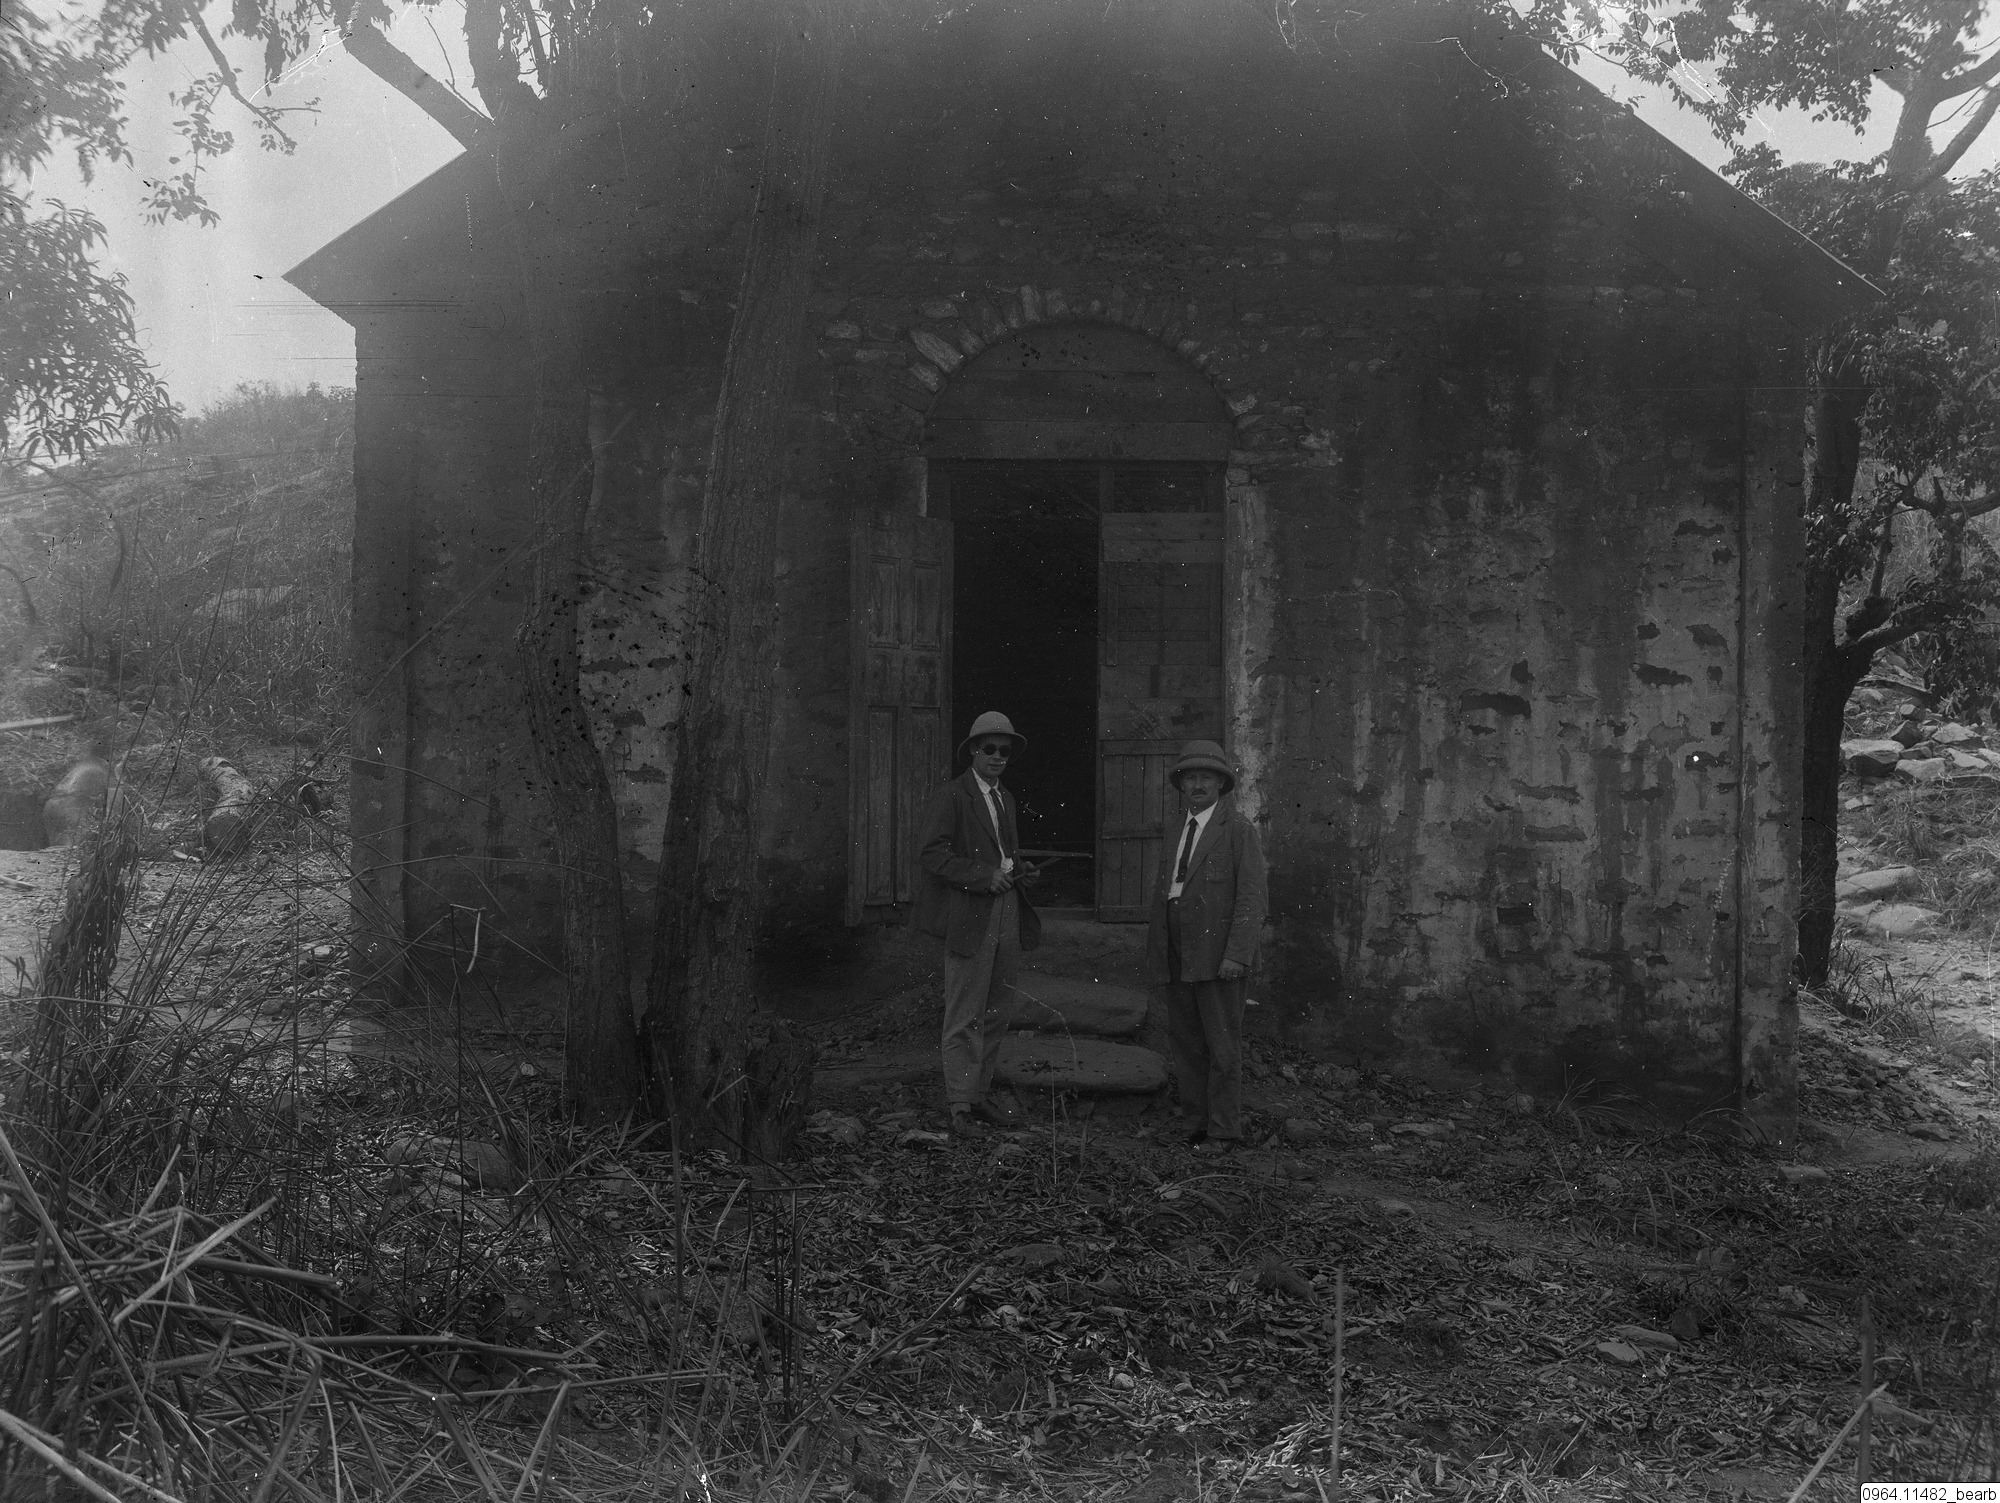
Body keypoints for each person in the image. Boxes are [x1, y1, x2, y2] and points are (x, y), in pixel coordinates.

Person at [916, 711, 1042, 1134]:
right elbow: (931, 854)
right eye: (989, 748)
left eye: (1005, 750)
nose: (997, 756)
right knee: (964, 1011)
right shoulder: (952, 796)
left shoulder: (1006, 799)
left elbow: (1004, 854)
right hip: (970, 913)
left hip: (1007, 909)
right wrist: (982, 876)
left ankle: (979, 1093)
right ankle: (959, 1106)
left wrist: (1020, 870)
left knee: (997, 1009)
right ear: (972, 750)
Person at [1147, 739, 1267, 1153]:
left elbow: (1252, 899)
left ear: (1221, 784)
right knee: (1186, 1039)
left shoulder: (1237, 831)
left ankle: (1224, 1131)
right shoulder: (1175, 827)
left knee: (1222, 1044)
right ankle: (1196, 1124)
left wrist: (1237, 954)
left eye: (1206, 778)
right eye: (1190, 778)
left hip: (1218, 953)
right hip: (1178, 947)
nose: (1197, 785)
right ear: (1181, 784)